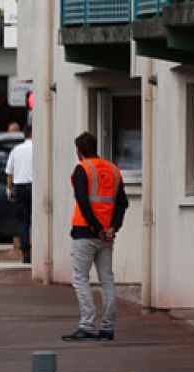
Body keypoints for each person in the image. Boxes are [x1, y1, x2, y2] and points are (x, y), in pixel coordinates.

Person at [65, 132, 129, 342]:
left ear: (79, 151)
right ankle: (108, 327)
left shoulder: (82, 169)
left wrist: (96, 226)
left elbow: (83, 201)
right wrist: (112, 228)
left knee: (80, 278)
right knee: (107, 280)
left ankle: (87, 324)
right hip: (107, 236)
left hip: (85, 231)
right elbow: (122, 203)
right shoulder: (113, 170)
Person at [6, 124, 34, 263]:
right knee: (36, 220)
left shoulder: (16, 150)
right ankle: (37, 248)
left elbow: (9, 172)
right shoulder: (39, 149)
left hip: (20, 186)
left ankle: (25, 250)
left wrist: (9, 190)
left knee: (23, 220)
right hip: (35, 186)